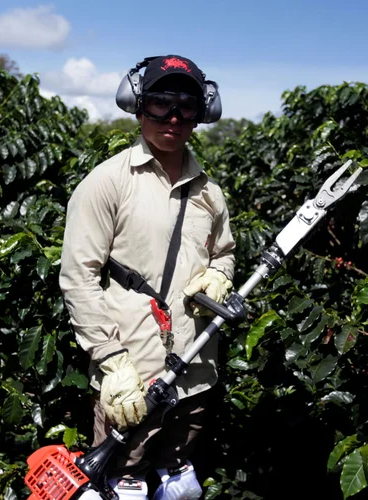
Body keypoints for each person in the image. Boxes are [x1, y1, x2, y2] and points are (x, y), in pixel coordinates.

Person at [59, 54, 236, 500]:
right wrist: (112, 362)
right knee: (124, 486)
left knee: (180, 486)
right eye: (160, 103)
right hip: (133, 378)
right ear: (138, 106)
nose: (173, 118)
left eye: (186, 106)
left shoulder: (210, 192)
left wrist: (218, 274)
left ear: (202, 113)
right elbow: (79, 278)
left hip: (197, 370)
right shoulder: (107, 183)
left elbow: (226, 253)